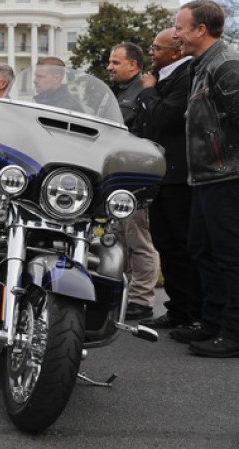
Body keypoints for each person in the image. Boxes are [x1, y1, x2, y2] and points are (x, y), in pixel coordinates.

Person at [168, 0, 239, 358]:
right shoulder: (199, 66)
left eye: (180, 27)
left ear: (200, 29)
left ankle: (235, 332)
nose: (175, 33)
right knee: (202, 250)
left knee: (230, 255)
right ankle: (211, 321)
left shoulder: (227, 64)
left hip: (227, 177)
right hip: (205, 178)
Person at [134, 29, 199, 329]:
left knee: (182, 245)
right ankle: (178, 309)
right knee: (164, 243)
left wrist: (147, 90)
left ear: (175, 52)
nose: (151, 52)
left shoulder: (185, 76)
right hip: (160, 175)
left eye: (155, 48)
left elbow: (165, 118)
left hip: (178, 175)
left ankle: (192, 312)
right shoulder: (161, 78)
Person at [107, 42, 161, 320]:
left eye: (116, 62)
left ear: (134, 65)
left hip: (138, 178)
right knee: (120, 239)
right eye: (110, 62)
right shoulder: (114, 94)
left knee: (139, 240)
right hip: (118, 177)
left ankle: (142, 300)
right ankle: (127, 294)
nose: (110, 67)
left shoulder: (143, 90)